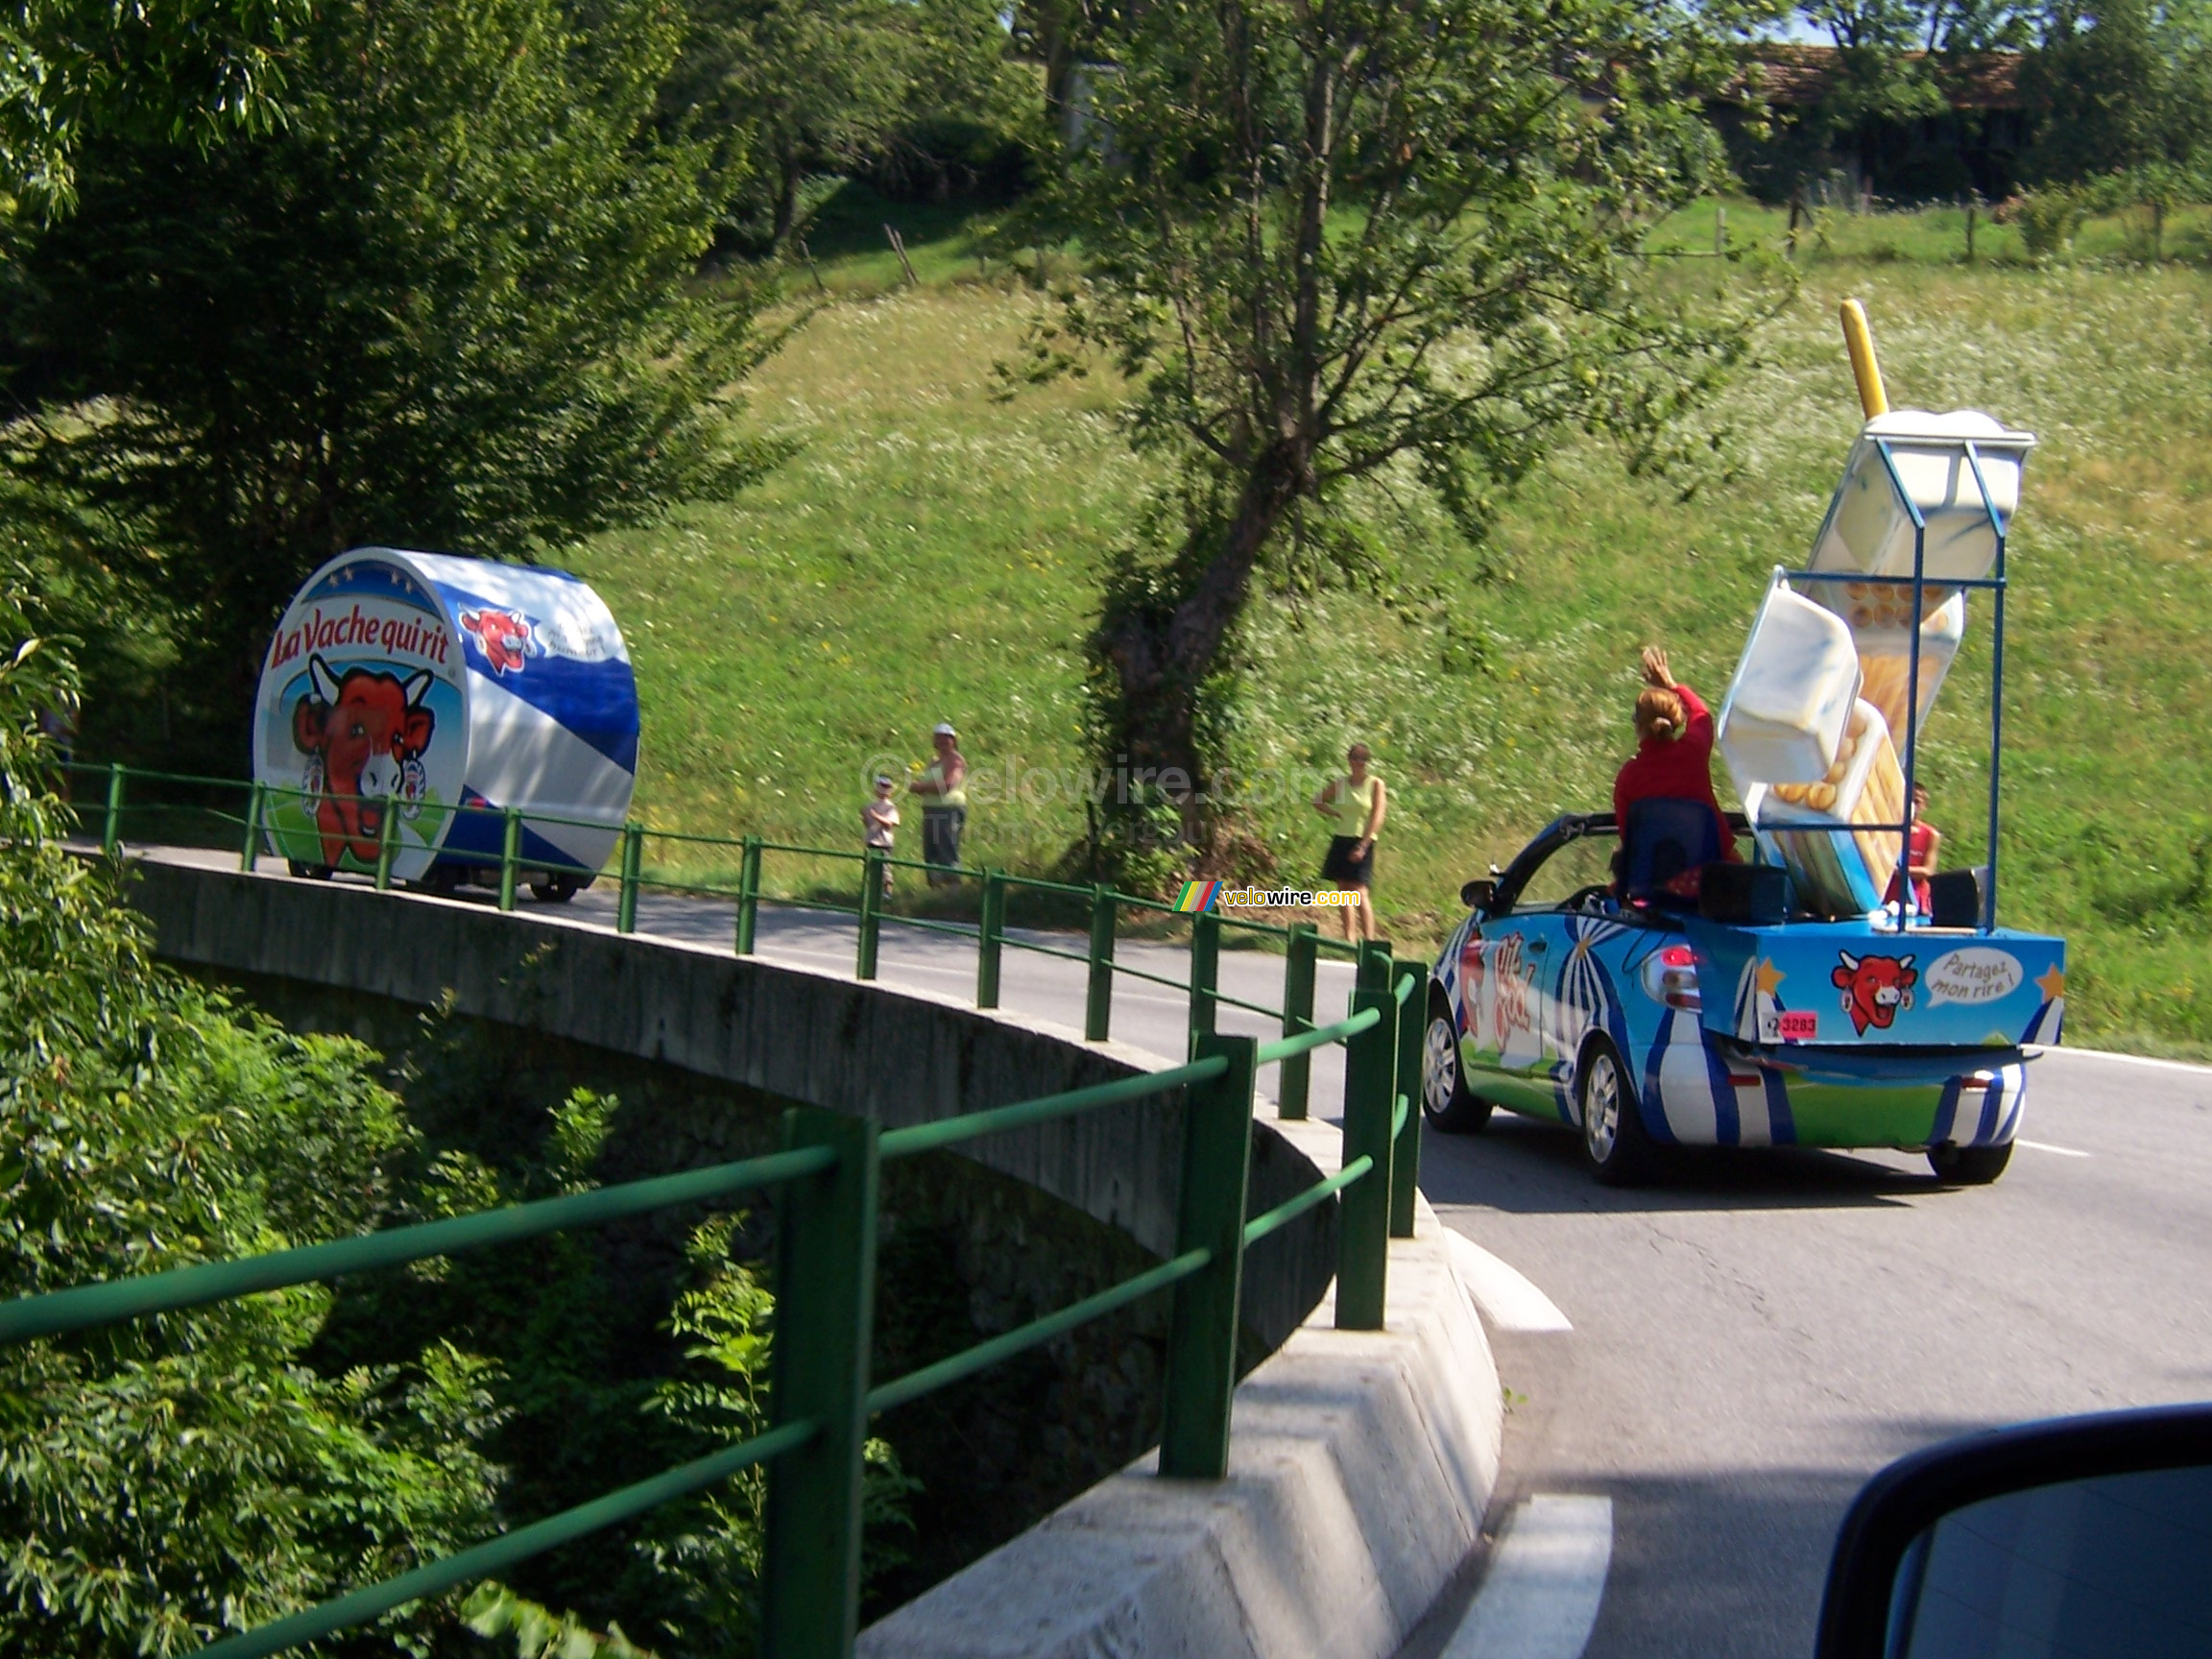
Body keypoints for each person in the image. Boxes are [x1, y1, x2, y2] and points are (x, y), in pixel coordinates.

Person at [1611, 645, 1735, 892]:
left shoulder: (1628, 777)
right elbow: (1701, 714)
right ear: (1677, 719)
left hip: (1658, 890)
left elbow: (1631, 841)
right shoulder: (1694, 752)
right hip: (1715, 884)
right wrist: (1670, 684)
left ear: (1638, 725)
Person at [1313, 742, 1386, 943]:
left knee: (1360, 891)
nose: (1358, 762)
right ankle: (1349, 939)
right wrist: (1335, 812)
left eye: (1363, 759)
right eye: (1355, 757)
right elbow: (1318, 800)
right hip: (1342, 838)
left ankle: (1369, 940)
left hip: (1362, 840)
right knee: (1343, 890)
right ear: (1349, 759)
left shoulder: (1375, 784)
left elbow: (1377, 816)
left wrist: (1363, 844)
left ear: (1367, 762)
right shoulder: (1341, 783)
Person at [910, 722, 967, 887]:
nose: (942, 741)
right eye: (939, 738)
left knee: (946, 849)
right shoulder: (935, 761)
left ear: (953, 740)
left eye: (946, 738)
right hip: (931, 810)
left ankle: (953, 890)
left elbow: (948, 785)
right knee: (931, 852)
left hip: (948, 810)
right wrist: (917, 788)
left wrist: (922, 787)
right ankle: (935, 889)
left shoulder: (955, 760)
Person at [1885, 781, 1940, 918]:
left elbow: (1928, 871)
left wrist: (1898, 871)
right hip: (1887, 899)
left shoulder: (1930, 835)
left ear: (1924, 806)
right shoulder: (1889, 830)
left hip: (1915, 901)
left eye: (1917, 802)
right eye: (1908, 800)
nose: (1912, 806)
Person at [861, 774, 900, 897]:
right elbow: (868, 825)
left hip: (884, 842)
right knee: (870, 869)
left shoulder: (890, 807)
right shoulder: (871, 805)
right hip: (872, 840)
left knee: (885, 870)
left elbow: (889, 824)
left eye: (886, 787)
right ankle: (872, 893)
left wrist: (876, 816)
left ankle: (887, 892)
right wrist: (864, 816)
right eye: (881, 786)